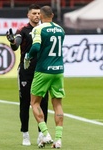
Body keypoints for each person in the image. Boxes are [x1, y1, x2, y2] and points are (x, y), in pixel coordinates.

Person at [6, 4, 49, 146]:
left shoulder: (45, 30)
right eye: (34, 13)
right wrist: (12, 41)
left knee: (43, 103)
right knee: (25, 104)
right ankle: (25, 134)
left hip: (42, 72)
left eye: (38, 13)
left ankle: (41, 134)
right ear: (28, 15)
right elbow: (16, 45)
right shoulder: (23, 30)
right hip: (26, 72)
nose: (37, 15)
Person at [24, 5, 65, 149]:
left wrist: (28, 57)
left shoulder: (39, 29)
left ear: (41, 16)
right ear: (52, 15)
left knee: (34, 103)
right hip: (58, 70)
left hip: (43, 70)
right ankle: (58, 140)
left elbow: (35, 47)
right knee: (58, 104)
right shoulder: (60, 29)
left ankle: (46, 134)